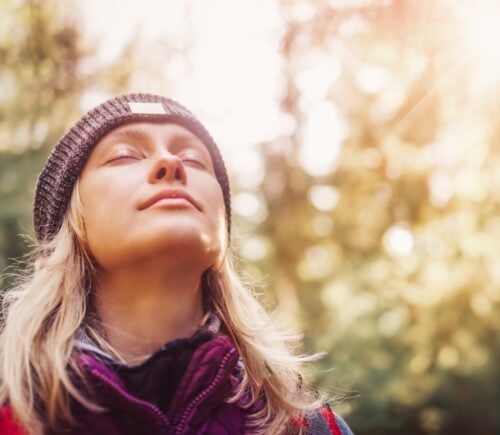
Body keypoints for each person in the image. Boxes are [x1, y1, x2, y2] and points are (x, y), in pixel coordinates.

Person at [0, 93, 353, 434]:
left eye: (195, 160)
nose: (171, 164)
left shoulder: (310, 429)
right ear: (68, 223)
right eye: (124, 155)